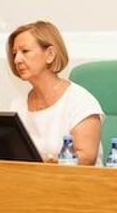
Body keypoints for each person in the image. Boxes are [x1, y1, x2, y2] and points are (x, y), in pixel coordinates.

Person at [6, 21, 103, 165]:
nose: (17, 59)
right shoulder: (17, 104)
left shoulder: (80, 101)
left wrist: (51, 164)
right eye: (14, 53)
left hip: (77, 185)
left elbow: (86, 158)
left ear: (50, 54)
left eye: (25, 51)